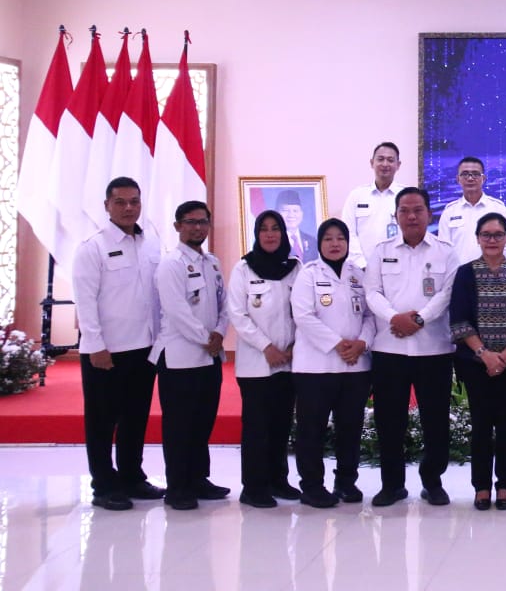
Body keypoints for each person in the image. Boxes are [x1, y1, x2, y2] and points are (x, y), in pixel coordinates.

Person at [71, 176, 164, 510]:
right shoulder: (92, 248)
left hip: (144, 348)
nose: (128, 208)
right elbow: (85, 302)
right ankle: (103, 484)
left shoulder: (151, 242)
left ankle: (131, 476)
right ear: (107, 205)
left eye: (134, 201)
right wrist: (95, 345)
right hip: (106, 351)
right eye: (121, 202)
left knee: (135, 417)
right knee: (101, 421)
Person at [363, 186, 457, 507]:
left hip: (434, 350)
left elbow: (447, 294)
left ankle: (433, 482)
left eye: (418, 210)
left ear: (429, 214)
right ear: (396, 215)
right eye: (404, 210)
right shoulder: (381, 251)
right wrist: (395, 318)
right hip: (390, 349)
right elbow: (372, 292)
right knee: (390, 421)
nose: (411, 216)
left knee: (436, 421)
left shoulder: (446, 251)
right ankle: (392, 485)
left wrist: (418, 319)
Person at [449, 212, 506, 510]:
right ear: (477, 238)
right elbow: (459, 321)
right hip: (475, 364)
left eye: (498, 234)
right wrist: (485, 355)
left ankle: (504, 486)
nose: (492, 240)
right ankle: (481, 487)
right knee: (480, 425)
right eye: (486, 235)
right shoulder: (466, 274)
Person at [150, 200, 229, 511]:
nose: (198, 227)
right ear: (178, 226)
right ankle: (178, 487)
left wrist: (219, 333)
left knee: (202, 422)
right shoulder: (171, 264)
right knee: (179, 425)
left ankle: (198, 479)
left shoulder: (213, 262)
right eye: (191, 222)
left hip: (210, 357)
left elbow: (224, 304)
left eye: (202, 222)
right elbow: (177, 311)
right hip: (179, 358)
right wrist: (206, 339)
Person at [292, 218, 375, 508]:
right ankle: (312, 486)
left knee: (350, 428)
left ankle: (346, 482)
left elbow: (370, 315)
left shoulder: (358, 275)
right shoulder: (308, 274)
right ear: (319, 243)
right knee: (312, 429)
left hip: (355, 366)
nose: (335, 243)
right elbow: (303, 316)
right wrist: (338, 344)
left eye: (340, 238)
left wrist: (362, 343)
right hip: (316, 367)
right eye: (328, 238)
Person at [226, 209, 301, 508]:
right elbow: (237, 314)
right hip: (256, 362)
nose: (270, 234)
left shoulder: (295, 268)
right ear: (257, 234)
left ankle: (278, 480)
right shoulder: (244, 269)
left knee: (281, 424)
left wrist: (294, 346)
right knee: (257, 427)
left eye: (275, 228)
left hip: (290, 361)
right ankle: (254, 487)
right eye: (264, 229)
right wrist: (266, 347)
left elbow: (304, 311)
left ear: (283, 233)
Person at [436, 156, 506, 265]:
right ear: (458, 179)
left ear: (483, 178)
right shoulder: (449, 212)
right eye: (465, 174)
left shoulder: (498, 208)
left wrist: (493, 268)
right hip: (458, 273)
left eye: (475, 174)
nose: (470, 178)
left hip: (491, 272)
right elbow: (443, 249)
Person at [341, 142, 403, 268]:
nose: (385, 164)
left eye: (390, 160)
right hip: (361, 269)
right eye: (380, 159)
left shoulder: (406, 196)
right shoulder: (356, 195)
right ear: (371, 163)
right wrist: (362, 265)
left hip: (399, 268)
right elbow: (348, 232)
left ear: (398, 165)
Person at [276, 190, 317, 263]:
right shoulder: (273, 241)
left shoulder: (312, 241)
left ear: (302, 213)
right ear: (277, 213)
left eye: (295, 211)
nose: (291, 215)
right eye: (286, 210)